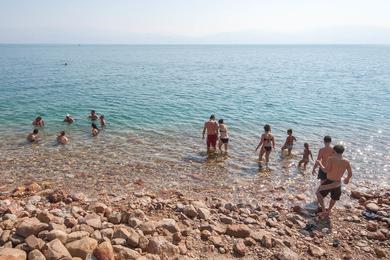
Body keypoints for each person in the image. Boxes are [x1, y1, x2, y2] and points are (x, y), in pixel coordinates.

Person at [315, 145, 352, 218]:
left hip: (329, 181)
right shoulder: (346, 161)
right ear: (342, 152)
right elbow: (350, 174)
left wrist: (319, 163)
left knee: (318, 194)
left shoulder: (331, 159)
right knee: (334, 198)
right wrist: (347, 179)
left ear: (334, 151)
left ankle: (323, 210)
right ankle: (329, 210)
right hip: (338, 183)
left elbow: (325, 170)